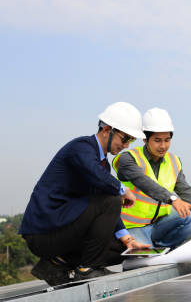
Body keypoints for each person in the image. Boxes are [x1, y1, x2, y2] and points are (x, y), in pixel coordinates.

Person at [20, 102, 151, 286]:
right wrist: (123, 189)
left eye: (131, 141)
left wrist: (128, 239)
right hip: (44, 233)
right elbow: (99, 181)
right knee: (112, 199)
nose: (126, 145)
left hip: (64, 229)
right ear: (107, 129)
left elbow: (105, 207)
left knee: (119, 251)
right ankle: (88, 269)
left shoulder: (102, 164)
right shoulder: (82, 147)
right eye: (125, 139)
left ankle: (55, 265)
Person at [112, 107, 191, 250]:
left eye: (167, 140)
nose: (163, 146)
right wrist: (173, 199)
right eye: (157, 140)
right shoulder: (128, 158)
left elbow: (186, 190)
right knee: (142, 260)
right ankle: (152, 250)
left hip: (159, 225)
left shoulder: (173, 161)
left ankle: (163, 248)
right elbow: (145, 183)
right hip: (132, 227)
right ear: (145, 139)